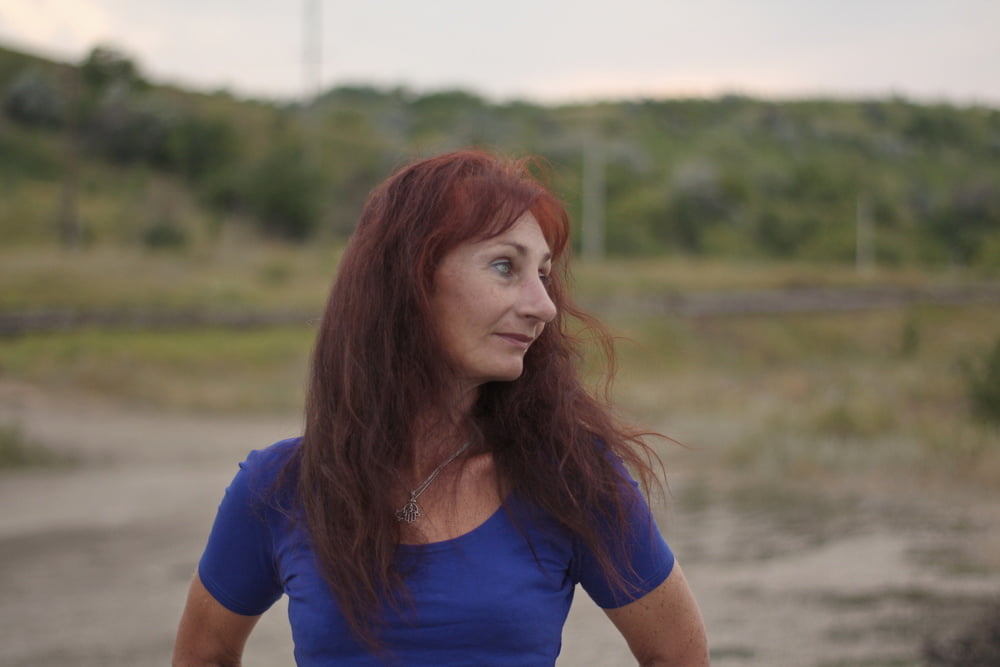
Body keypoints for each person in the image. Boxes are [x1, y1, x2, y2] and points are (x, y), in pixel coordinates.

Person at [172, 149, 709, 666]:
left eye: (543, 273)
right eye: (505, 266)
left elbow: (678, 654)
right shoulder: (280, 487)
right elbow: (204, 654)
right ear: (410, 280)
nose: (543, 306)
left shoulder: (571, 477)